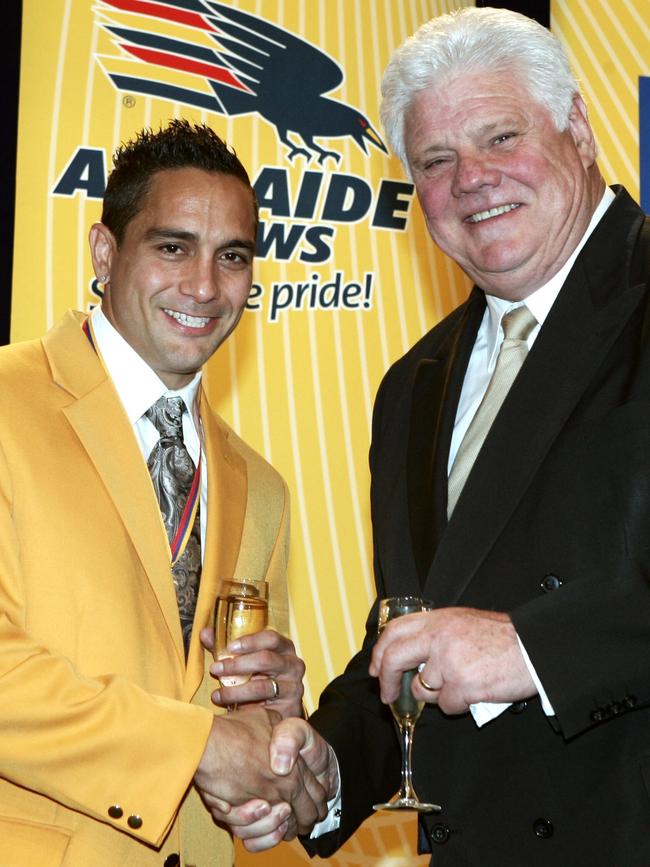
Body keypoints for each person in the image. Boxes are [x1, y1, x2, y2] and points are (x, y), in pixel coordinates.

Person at [252, 6, 650, 865]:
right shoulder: (411, 386)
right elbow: (410, 635)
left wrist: (532, 648)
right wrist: (325, 767)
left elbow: (498, 639)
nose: (473, 177)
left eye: (500, 136)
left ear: (577, 127)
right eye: (437, 159)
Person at [0, 119, 327, 866]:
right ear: (105, 252)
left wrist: (280, 736)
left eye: (232, 257)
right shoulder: (6, 402)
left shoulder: (262, 485)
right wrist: (198, 746)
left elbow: (231, 713)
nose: (205, 287)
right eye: (173, 247)